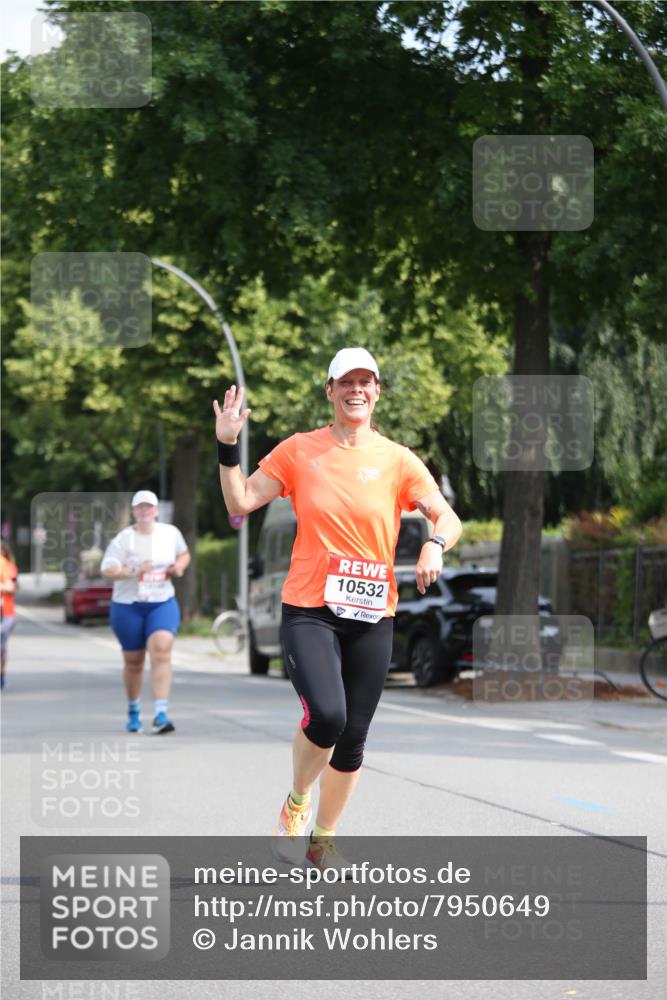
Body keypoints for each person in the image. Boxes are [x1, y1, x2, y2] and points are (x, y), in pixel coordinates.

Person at [213, 347, 462, 872]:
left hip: (373, 612)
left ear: (376, 392)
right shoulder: (300, 451)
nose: (356, 390)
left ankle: (323, 839)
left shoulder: (398, 459)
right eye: (345, 381)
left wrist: (435, 542)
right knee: (327, 714)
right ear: (329, 390)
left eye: (366, 382)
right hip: (310, 607)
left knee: (353, 738)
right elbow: (240, 502)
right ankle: (297, 805)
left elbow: (447, 516)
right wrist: (228, 445)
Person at [101, 490, 191, 734]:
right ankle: (133, 710)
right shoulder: (124, 539)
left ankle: (161, 714)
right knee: (134, 662)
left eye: (148, 507)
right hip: (128, 605)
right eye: (139, 507)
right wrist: (133, 570)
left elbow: (184, 554)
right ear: (133, 512)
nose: (144, 511)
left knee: (161, 649)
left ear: (156, 511)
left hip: (161, 601)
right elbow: (107, 569)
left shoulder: (170, 533)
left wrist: (179, 567)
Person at [0, 542, 19, 690]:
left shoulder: (7, 566)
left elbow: (11, 587)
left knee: (1, 647)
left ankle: (1, 676)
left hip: (5, 613)